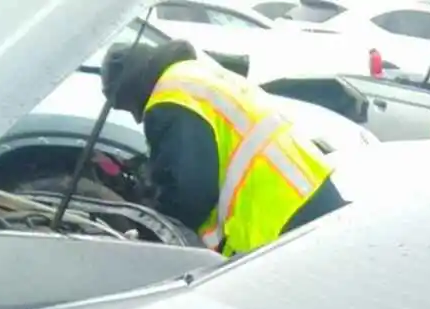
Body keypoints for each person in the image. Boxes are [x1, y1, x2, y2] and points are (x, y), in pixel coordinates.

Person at [101, 39, 345, 256]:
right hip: (307, 190)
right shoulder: (194, 74)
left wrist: (150, 233)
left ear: (130, 90)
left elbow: (190, 195)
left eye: (127, 106)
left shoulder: (168, 100)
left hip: (277, 220)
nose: (136, 117)